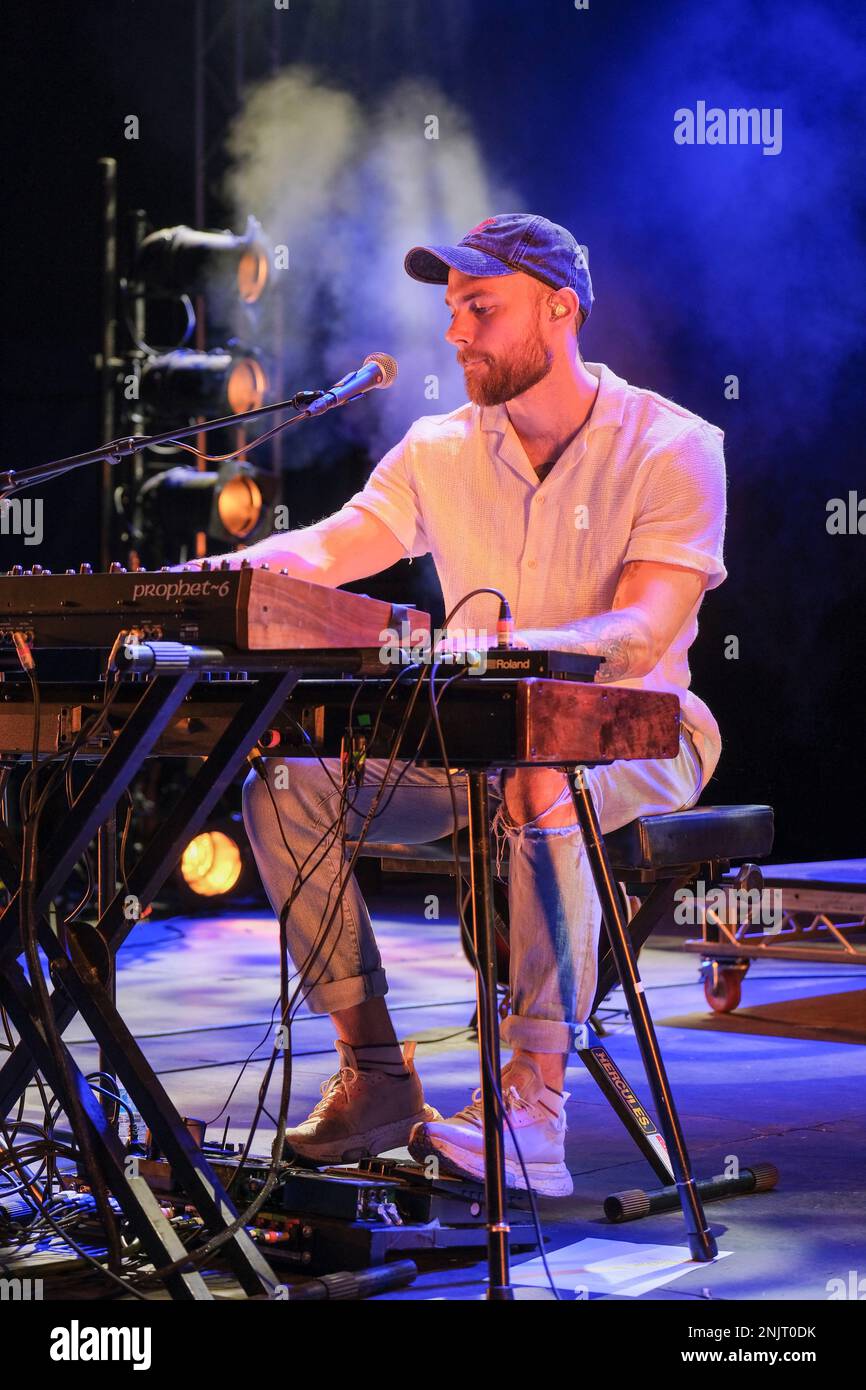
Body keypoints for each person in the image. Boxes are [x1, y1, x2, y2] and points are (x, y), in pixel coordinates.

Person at [186, 214, 726, 1196]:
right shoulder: (438, 448)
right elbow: (329, 548)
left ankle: (533, 1110)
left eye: (478, 307)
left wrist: (496, 647)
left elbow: (643, 630)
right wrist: (214, 578)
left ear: (559, 310)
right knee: (284, 787)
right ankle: (379, 1075)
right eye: (450, 310)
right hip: (467, 734)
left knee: (535, 777)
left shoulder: (672, 445)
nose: (455, 332)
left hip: (638, 735)